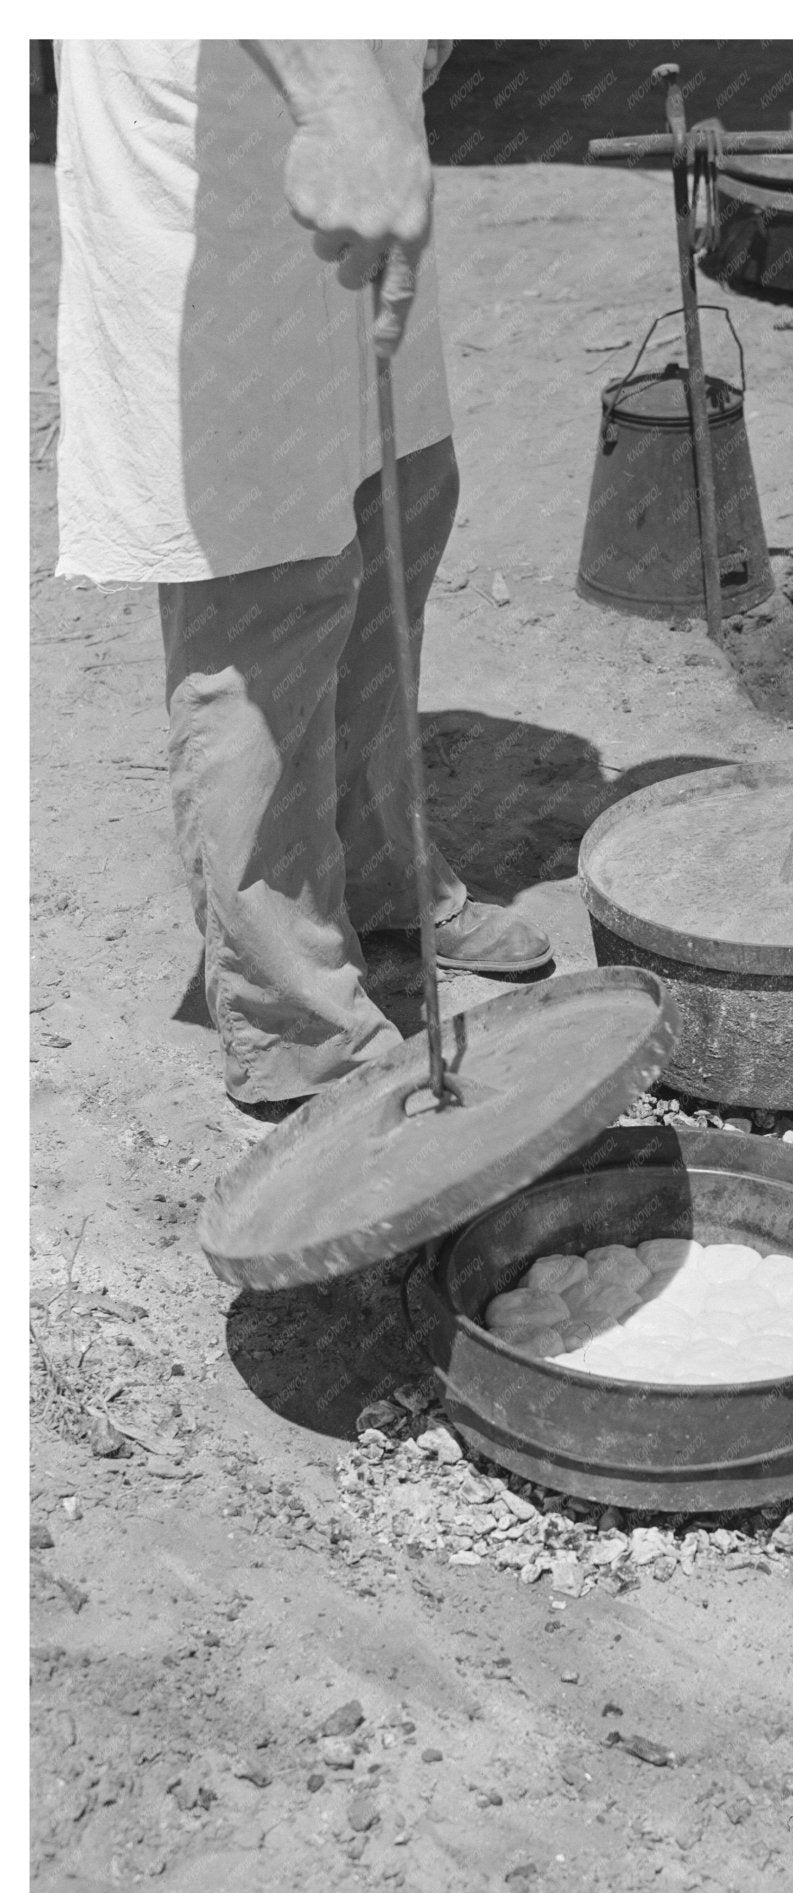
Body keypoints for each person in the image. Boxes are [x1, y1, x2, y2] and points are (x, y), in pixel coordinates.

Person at [53, 39, 551, 1117]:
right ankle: (297, 1024)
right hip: (216, 140)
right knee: (268, 582)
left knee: (402, 501)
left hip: (355, 101)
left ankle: (375, 876)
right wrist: (336, 103)